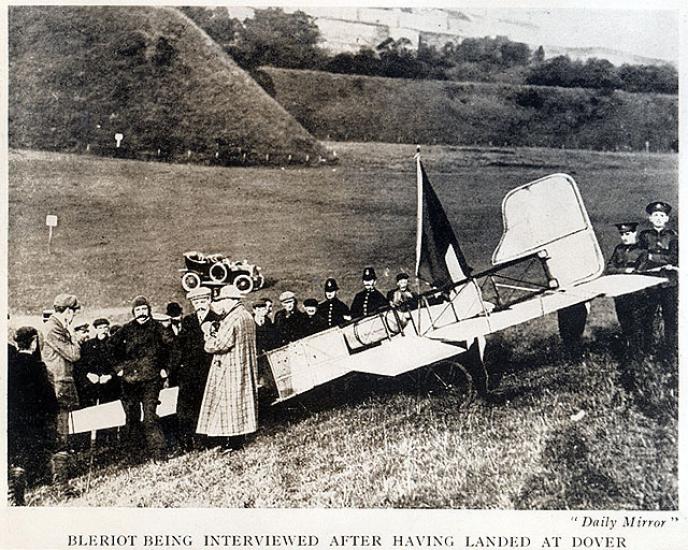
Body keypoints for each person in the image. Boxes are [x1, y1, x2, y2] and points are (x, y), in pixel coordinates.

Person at [108, 295, 174, 461]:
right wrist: (119, 369)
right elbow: (109, 347)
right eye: (138, 310)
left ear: (149, 310)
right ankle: (135, 456)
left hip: (151, 380)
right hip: (130, 381)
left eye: (144, 309)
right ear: (133, 312)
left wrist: (166, 369)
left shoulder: (158, 328)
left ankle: (159, 455)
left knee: (150, 416)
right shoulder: (126, 329)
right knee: (132, 417)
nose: (142, 313)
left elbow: (173, 348)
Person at [196, 285, 258, 450]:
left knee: (227, 405)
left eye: (222, 300)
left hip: (229, 368)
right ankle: (237, 441)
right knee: (240, 403)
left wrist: (208, 338)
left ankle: (231, 443)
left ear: (230, 300)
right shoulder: (246, 316)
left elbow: (220, 344)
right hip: (243, 365)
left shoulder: (232, 318)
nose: (220, 304)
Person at [8, 327, 58, 502]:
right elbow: (47, 395)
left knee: (18, 455)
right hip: (35, 419)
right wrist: (53, 410)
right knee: (40, 450)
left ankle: (16, 497)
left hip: (13, 418)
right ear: (34, 342)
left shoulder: (10, 364)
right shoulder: (37, 366)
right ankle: (51, 482)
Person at [41, 293, 82, 495]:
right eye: (74, 311)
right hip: (58, 388)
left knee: (61, 434)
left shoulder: (54, 327)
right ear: (67, 311)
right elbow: (74, 354)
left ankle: (60, 483)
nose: (74, 315)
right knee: (60, 435)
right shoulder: (54, 328)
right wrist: (74, 336)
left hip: (59, 386)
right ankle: (62, 487)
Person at [175, 287, 220, 451]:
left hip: (209, 369)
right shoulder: (188, 321)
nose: (200, 305)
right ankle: (187, 443)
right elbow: (180, 345)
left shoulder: (217, 319)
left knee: (207, 405)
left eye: (203, 301)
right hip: (189, 371)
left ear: (209, 301)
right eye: (196, 302)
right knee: (186, 408)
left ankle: (207, 441)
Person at [638, 201, 678, 352]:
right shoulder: (644, 236)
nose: (659, 218)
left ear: (667, 218)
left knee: (670, 316)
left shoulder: (673, 236)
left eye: (662, 215)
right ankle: (647, 348)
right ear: (650, 218)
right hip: (651, 283)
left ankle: (669, 350)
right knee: (648, 316)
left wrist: (653, 257)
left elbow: (674, 258)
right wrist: (653, 259)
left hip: (669, 282)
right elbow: (641, 257)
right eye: (656, 215)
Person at [606, 223, 647, 352]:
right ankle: (628, 349)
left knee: (637, 323)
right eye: (622, 234)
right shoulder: (619, 249)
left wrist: (623, 271)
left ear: (634, 233)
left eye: (627, 234)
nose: (624, 237)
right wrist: (625, 270)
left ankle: (638, 352)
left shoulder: (642, 250)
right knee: (624, 321)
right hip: (620, 292)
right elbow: (609, 268)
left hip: (636, 294)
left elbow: (640, 271)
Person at [76, 318, 120, 407]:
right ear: (95, 329)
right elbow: (81, 364)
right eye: (100, 328)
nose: (103, 330)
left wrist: (110, 375)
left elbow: (119, 364)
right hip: (92, 383)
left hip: (109, 383)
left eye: (105, 328)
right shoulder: (88, 345)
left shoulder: (114, 344)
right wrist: (88, 375)